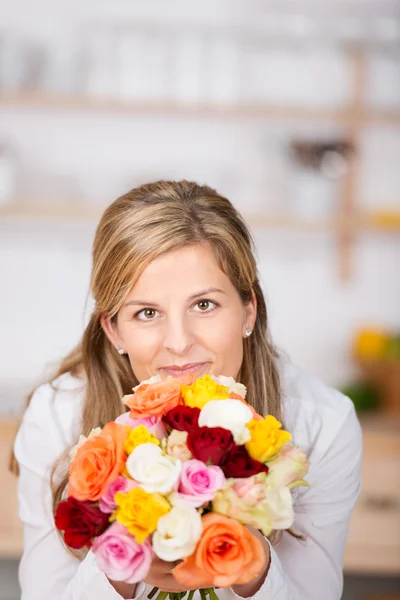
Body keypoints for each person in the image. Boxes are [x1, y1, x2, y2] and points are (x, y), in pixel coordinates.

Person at [11, 180, 362, 600]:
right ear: (113, 329)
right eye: (146, 312)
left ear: (248, 309)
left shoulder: (324, 423)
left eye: (204, 305)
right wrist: (119, 568)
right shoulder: (55, 416)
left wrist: (250, 568)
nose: (178, 342)